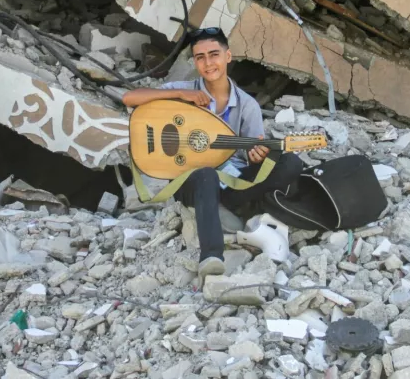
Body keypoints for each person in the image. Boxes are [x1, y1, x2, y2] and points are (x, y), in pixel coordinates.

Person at [122, 28, 303, 279]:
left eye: (214, 54)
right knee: (206, 174)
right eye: (200, 57)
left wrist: (257, 156)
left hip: (232, 183)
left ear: (228, 56)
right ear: (195, 62)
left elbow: (253, 151)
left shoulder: (247, 105)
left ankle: (237, 207)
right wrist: (179, 94)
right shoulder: (183, 91)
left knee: (291, 162)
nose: (208, 63)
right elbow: (130, 97)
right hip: (191, 181)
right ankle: (211, 256)